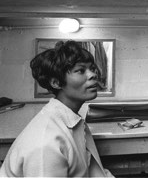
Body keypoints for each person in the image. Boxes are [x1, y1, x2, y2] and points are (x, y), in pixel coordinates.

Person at [0, 41, 114, 177]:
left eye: (92, 68)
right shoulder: (46, 142)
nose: (93, 75)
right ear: (56, 82)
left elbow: (93, 172)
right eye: (81, 70)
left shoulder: (73, 121)